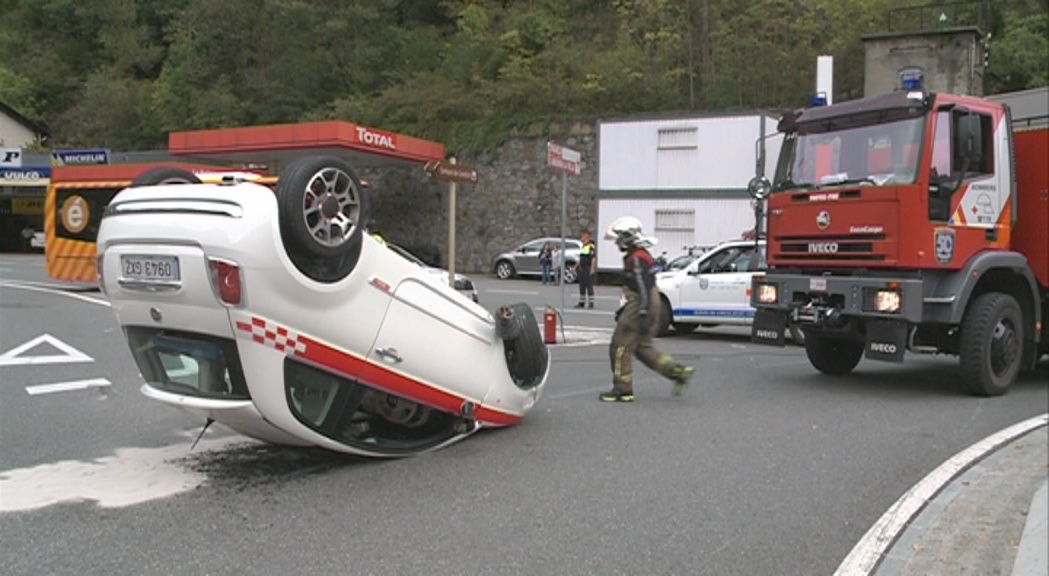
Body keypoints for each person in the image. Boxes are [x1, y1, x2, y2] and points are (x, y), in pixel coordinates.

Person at [602, 216, 694, 402]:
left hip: (641, 304)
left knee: (619, 346)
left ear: (627, 238)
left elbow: (641, 287)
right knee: (643, 348)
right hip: (650, 302)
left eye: (618, 239)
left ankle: (622, 389)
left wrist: (641, 313)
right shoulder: (643, 255)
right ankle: (677, 372)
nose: (617, 243)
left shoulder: (635, 259)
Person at [573, 229, 597, 308]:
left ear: (587, 236)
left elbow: (593, 258)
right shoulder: (584, 246)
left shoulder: (591, 246)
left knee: (589, 285)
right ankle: (582, 302)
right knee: (582, 286)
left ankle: (591, 303)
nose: (581, 237)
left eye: (583, 235)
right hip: (582, 269)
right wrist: (576, 266)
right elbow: (582, 258)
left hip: (587, 268)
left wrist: (592, 269)